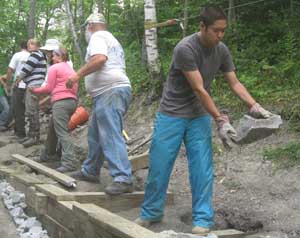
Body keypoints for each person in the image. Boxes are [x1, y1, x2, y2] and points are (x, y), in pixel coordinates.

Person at [134, 6, 273, 236]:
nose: (220, 36)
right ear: (202, 27)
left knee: (202, 168)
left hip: (198, 115)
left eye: (223, 31)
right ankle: (151, 213)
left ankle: (203, 218)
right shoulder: (185, 49)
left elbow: (235, 83)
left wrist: (255, 106)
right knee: (160, 165)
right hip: (172, 114)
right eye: (216, 31)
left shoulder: (222, 50)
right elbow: (199, 89)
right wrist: (219, 120)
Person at [66, 13, 133, 195]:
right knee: (95, 134)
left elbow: (100, 59)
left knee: (110, 134)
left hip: (110, 91)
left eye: (86, 28)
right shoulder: (112, 40)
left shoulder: (97, 37)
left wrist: (77, 75)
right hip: (109, 92)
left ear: (90, 26)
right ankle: (90, 170)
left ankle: (123, 177)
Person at [30, 46, 78, 172]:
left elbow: (49, 88)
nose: (51, 57)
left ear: (59, 56)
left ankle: (69, 162)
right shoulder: (71, 69)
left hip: (60, 102)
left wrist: (34, 90)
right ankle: (48, 154)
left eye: (53, 55)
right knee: (53, 128)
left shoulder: (54, 68)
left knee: (62, 132)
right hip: (72, 102)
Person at [17, 39, 47, 147]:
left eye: (32, 43)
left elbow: (26, 70)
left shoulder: (35, 54)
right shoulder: (38, 55)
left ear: (38, 46)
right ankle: (31, 135)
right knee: (31, 110)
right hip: (33, 84)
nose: (29, 45)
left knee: (32, 110)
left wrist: (17, 81)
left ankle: (34, 137)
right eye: (29, 43)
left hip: (33, 85)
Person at [0, 41, 30, 137]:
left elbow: (10, 70)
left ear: (20, 47)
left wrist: (8, 85)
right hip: (29, 86)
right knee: (21, 109)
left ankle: (19, 133)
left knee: (16, 109)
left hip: (19, 85)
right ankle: (17, 130)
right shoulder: (32, 56)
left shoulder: (17, 55)